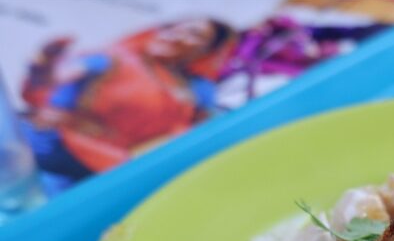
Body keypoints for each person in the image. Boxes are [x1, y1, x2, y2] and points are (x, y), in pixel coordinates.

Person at [20, 19, 236, 187]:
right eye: (172, 27)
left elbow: (200, 135)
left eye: (193, 33)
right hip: (48, 154)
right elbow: (54, 78)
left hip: (109, 175)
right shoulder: (116, 59)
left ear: (206, 50)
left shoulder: (193, 92)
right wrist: (44, 63)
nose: (176, 33)